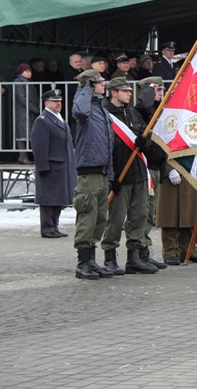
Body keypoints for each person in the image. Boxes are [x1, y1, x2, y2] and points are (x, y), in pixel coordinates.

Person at [100, 77, 159, 275]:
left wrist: (145, 144)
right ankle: (110, 256)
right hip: (120, 175)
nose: (129, 93)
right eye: (125, 90)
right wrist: (111, 177)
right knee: (116, 219)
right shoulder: (106, 115)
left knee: (139, 215)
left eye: (129, 90)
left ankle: (133, 258)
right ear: (114, 93)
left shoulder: (133, 113)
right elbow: (104, 148)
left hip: (139, 173)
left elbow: (145, 137)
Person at [71, 69, 115, 280]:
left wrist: (111, 174)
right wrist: (85, 89)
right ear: (90, 86)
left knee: (99, 218)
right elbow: (79, 111)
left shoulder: (101, 110)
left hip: (103, 171)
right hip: (89, 172)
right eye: (99, 82)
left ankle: (92, 260)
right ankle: (83, 263)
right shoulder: (85, 105)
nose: (104, 85)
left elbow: (109, 144)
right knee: (87, 216)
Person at [30, 89, 76, 238]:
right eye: (55, 102)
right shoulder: (42, 120)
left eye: (60, 101)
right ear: (46, 103)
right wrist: (42, 167)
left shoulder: (58, 118)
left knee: (59, 198)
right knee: (48, 198)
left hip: (61, 166)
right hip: (51, 166)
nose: (58, 104)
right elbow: (39, 146)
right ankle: (47, 227)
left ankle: (54, 225)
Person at [134, 76, 168, 269]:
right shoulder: (141, 111)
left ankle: (145, 252)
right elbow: (142, 108)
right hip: (145, 168)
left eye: (162, 89)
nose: (160, 93)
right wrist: (148, 93)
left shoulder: (158, 111)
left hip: (156, 167)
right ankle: (138, 252)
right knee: (142, 212)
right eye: (156, 89)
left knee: (150, 214)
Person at [14, 63, 40, 163]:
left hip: (29, 111)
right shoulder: (18, 82)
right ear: (21, 72)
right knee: (22, 134)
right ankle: (23, 156)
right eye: (27, 71)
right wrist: (36, 109)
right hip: (23, 112)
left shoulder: (27, 82)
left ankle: (26, 156)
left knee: (27, 133)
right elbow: (22, 98)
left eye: (30, 71)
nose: (29, 73)